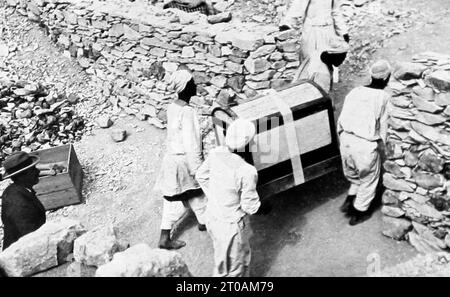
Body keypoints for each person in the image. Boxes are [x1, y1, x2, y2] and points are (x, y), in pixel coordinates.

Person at [196, 119, 271, 277]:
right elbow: (250, 206)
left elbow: (201, 176)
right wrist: (265, 207)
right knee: (237, 269)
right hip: (231, 226)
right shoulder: (247, 170)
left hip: (212, 216)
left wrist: (217, 197)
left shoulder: (216, 153)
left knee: (222, 262)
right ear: (246, 144)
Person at [154, 69, 207, 250]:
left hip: (171, 158)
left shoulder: (173, 107)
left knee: (196, 194)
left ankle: (203, 221)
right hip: (182, 162)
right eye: (192, 83)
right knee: (177, 201)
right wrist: (198, 168)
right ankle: (164, 238)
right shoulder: (187, 112)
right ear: (185, 87)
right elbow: (191, 143)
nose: (195, 86)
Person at [337, 60, 391, 226]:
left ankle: (350, 199)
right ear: (387, 78)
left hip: (346, 139)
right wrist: (384, 146)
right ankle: (359, 212)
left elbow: (342, 118)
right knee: (369, 179)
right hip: (364, 144)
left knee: (354, 175)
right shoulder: (383, 97)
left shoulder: (355, 91)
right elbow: (384, 126)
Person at [1, 151, 45, 250]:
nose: (38, 172)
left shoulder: (21, 190)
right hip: (20, 255)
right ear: (22, 176)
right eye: (33, 170)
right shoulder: (17, 201)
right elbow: (30, 237)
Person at [279, 0, 349, 60]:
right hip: (312, 32)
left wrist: (343, 32)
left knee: (327, 67)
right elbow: (297, 9)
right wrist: (288, 24)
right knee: (310, 64)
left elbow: (335, 12)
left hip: (329, 32)